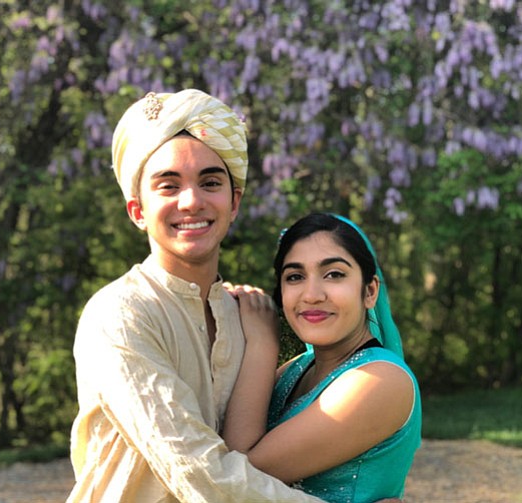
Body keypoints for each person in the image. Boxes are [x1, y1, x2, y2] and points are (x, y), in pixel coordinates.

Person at [67, 89, 330, 502]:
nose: (192, 201)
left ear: (234, 201)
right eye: (168, 186)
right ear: (137, 211)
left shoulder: (246, 315)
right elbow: (199, 470)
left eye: (210, 182)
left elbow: (257, 455)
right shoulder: (120, 315)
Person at [223, 213, 422, 502]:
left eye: (334, 274)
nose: (312, 295)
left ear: (369, 291)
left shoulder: (381, 380)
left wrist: (263, 342)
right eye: (295, 277)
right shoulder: (298, 369)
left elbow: (237, 477)